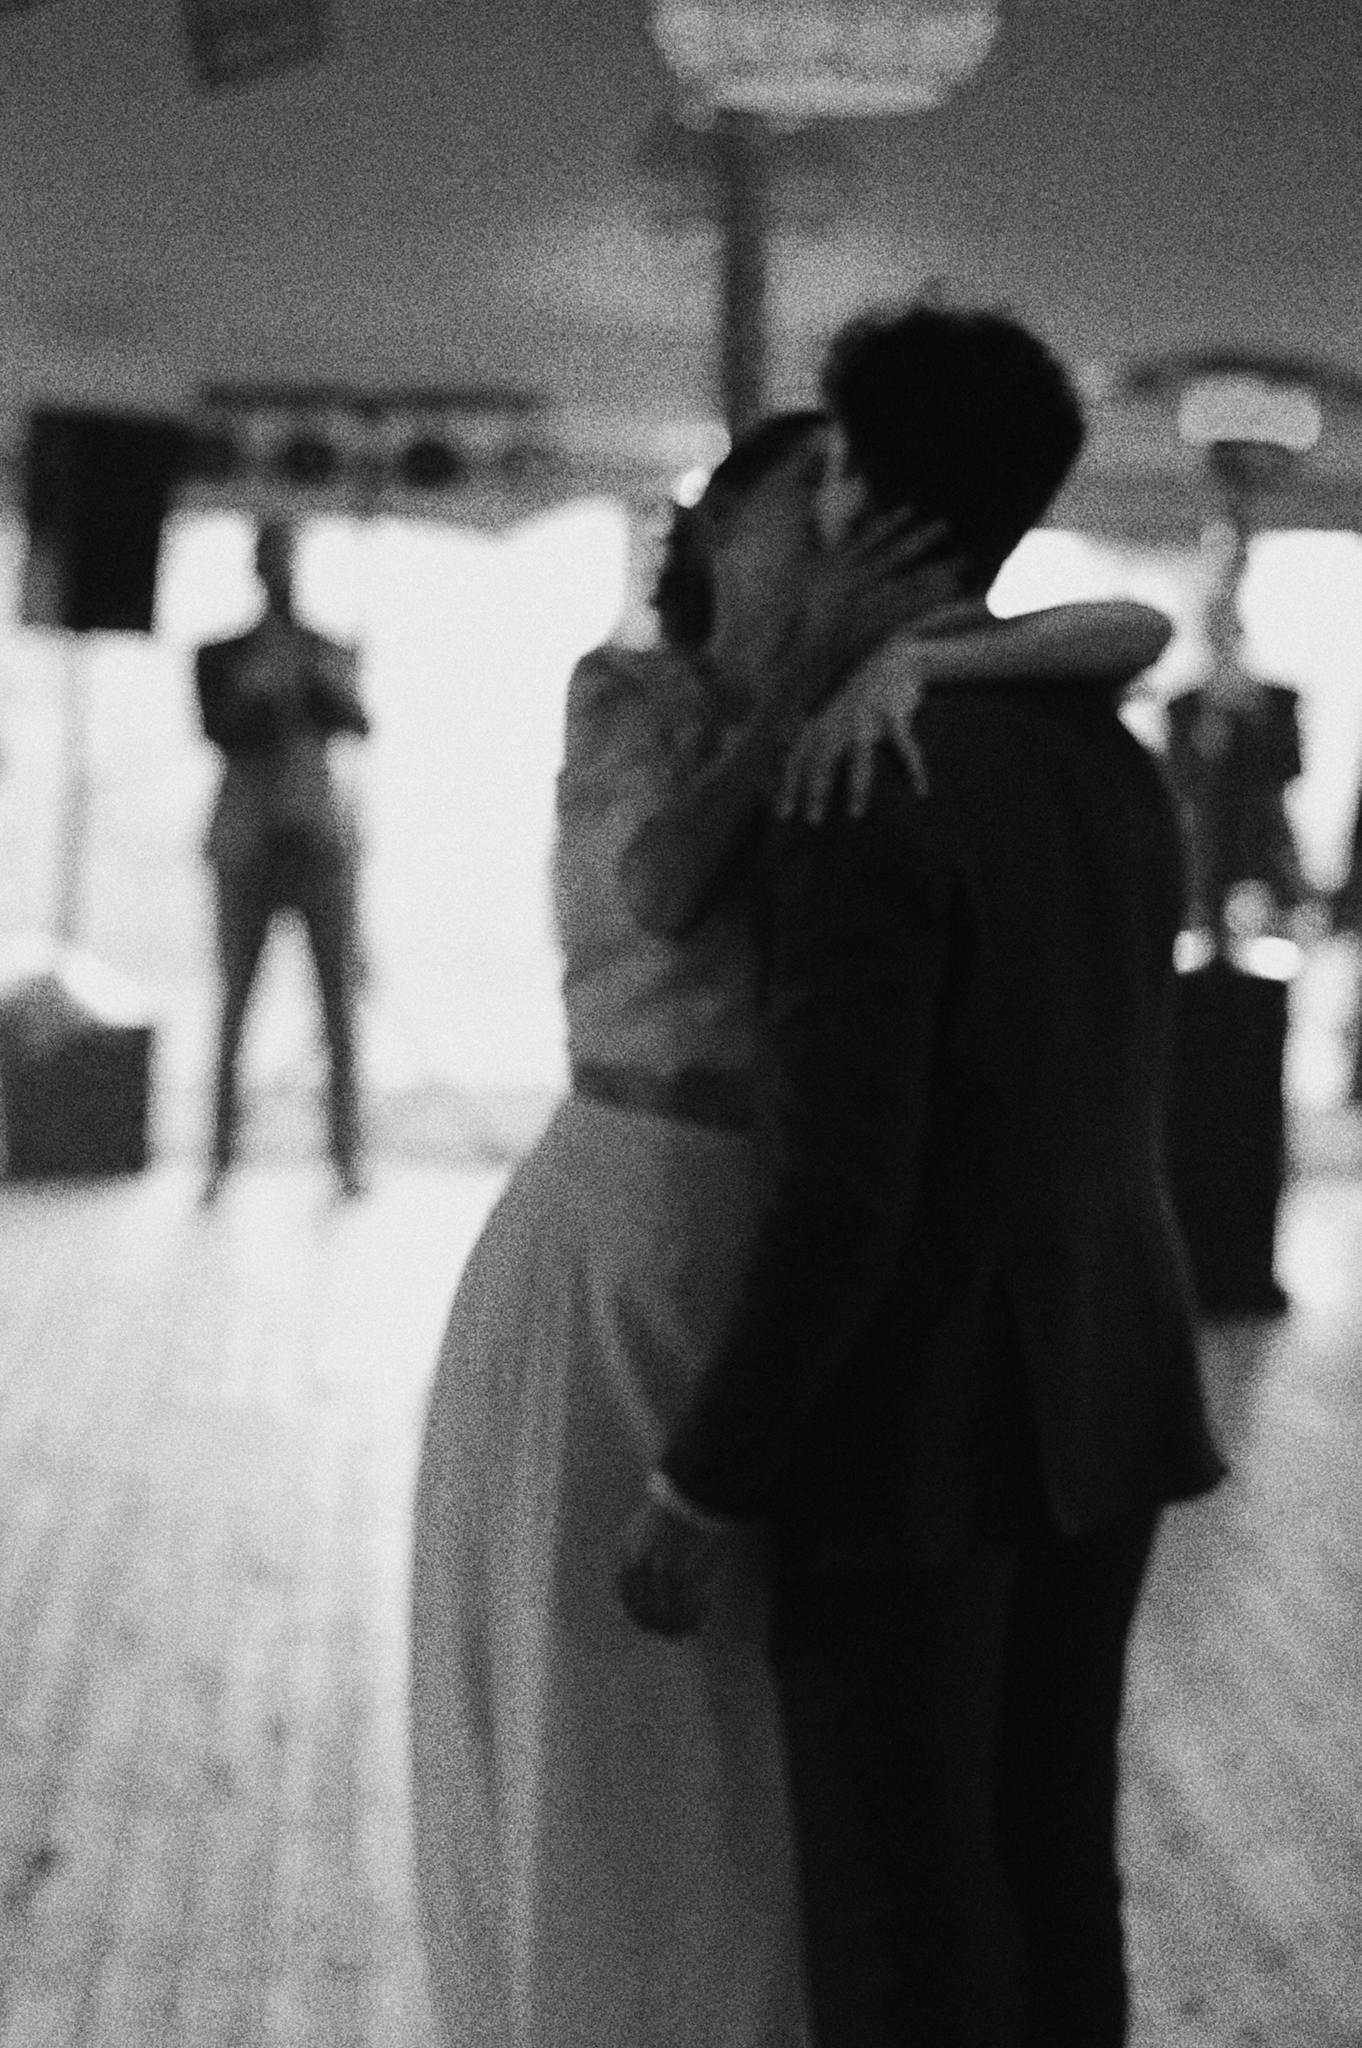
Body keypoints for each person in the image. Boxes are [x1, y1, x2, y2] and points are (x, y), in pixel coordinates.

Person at [408, 405, 1176, 2048]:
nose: (833, 526)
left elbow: (1137, 626)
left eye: (847, 497)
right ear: (719, 530)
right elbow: (664, 886)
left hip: (793, 1254)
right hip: (620, 1218)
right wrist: (804, 704)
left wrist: (921, 670)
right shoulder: (629, 691)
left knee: (766, 1718)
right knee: (611, 1683)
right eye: (798, 498)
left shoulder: (893, 706)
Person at [620, 308, 1227, 2048]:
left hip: (916, 1437)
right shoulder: (1101, 757)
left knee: (903, 1931)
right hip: (1105, 1389)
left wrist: (702, 1477)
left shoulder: (859, 774)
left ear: (864, 505)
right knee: (1051, 1869)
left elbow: (842, 1196)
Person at [194, 518, 369, 1201]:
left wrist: (315, 680)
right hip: (246, 848)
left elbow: (359, 721)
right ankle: (218, 1157)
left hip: (320, 847)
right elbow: (215, 730)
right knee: (235, 1003)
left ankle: (347, 1155)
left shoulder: (325, 647)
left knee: (338, 1009)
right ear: (255, 566)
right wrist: (262, 692)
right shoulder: (219, 655)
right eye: (270, 559)